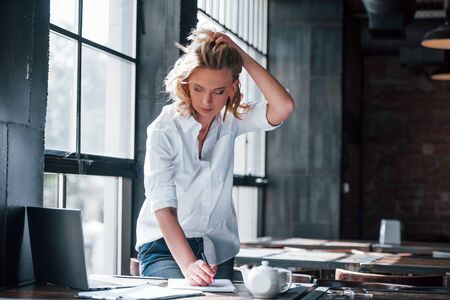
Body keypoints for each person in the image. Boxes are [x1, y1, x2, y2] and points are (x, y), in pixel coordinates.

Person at [135, 28, 295, 286]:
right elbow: (163, 206)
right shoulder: (164, 129)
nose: (206, 100)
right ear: (186, 83)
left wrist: (241, 56)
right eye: (198, 88)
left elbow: (283, 106)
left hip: (217, 250)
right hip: (165, 247)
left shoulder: (230, 120)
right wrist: (189, 265)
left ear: (232, 88)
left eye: (218, 91)